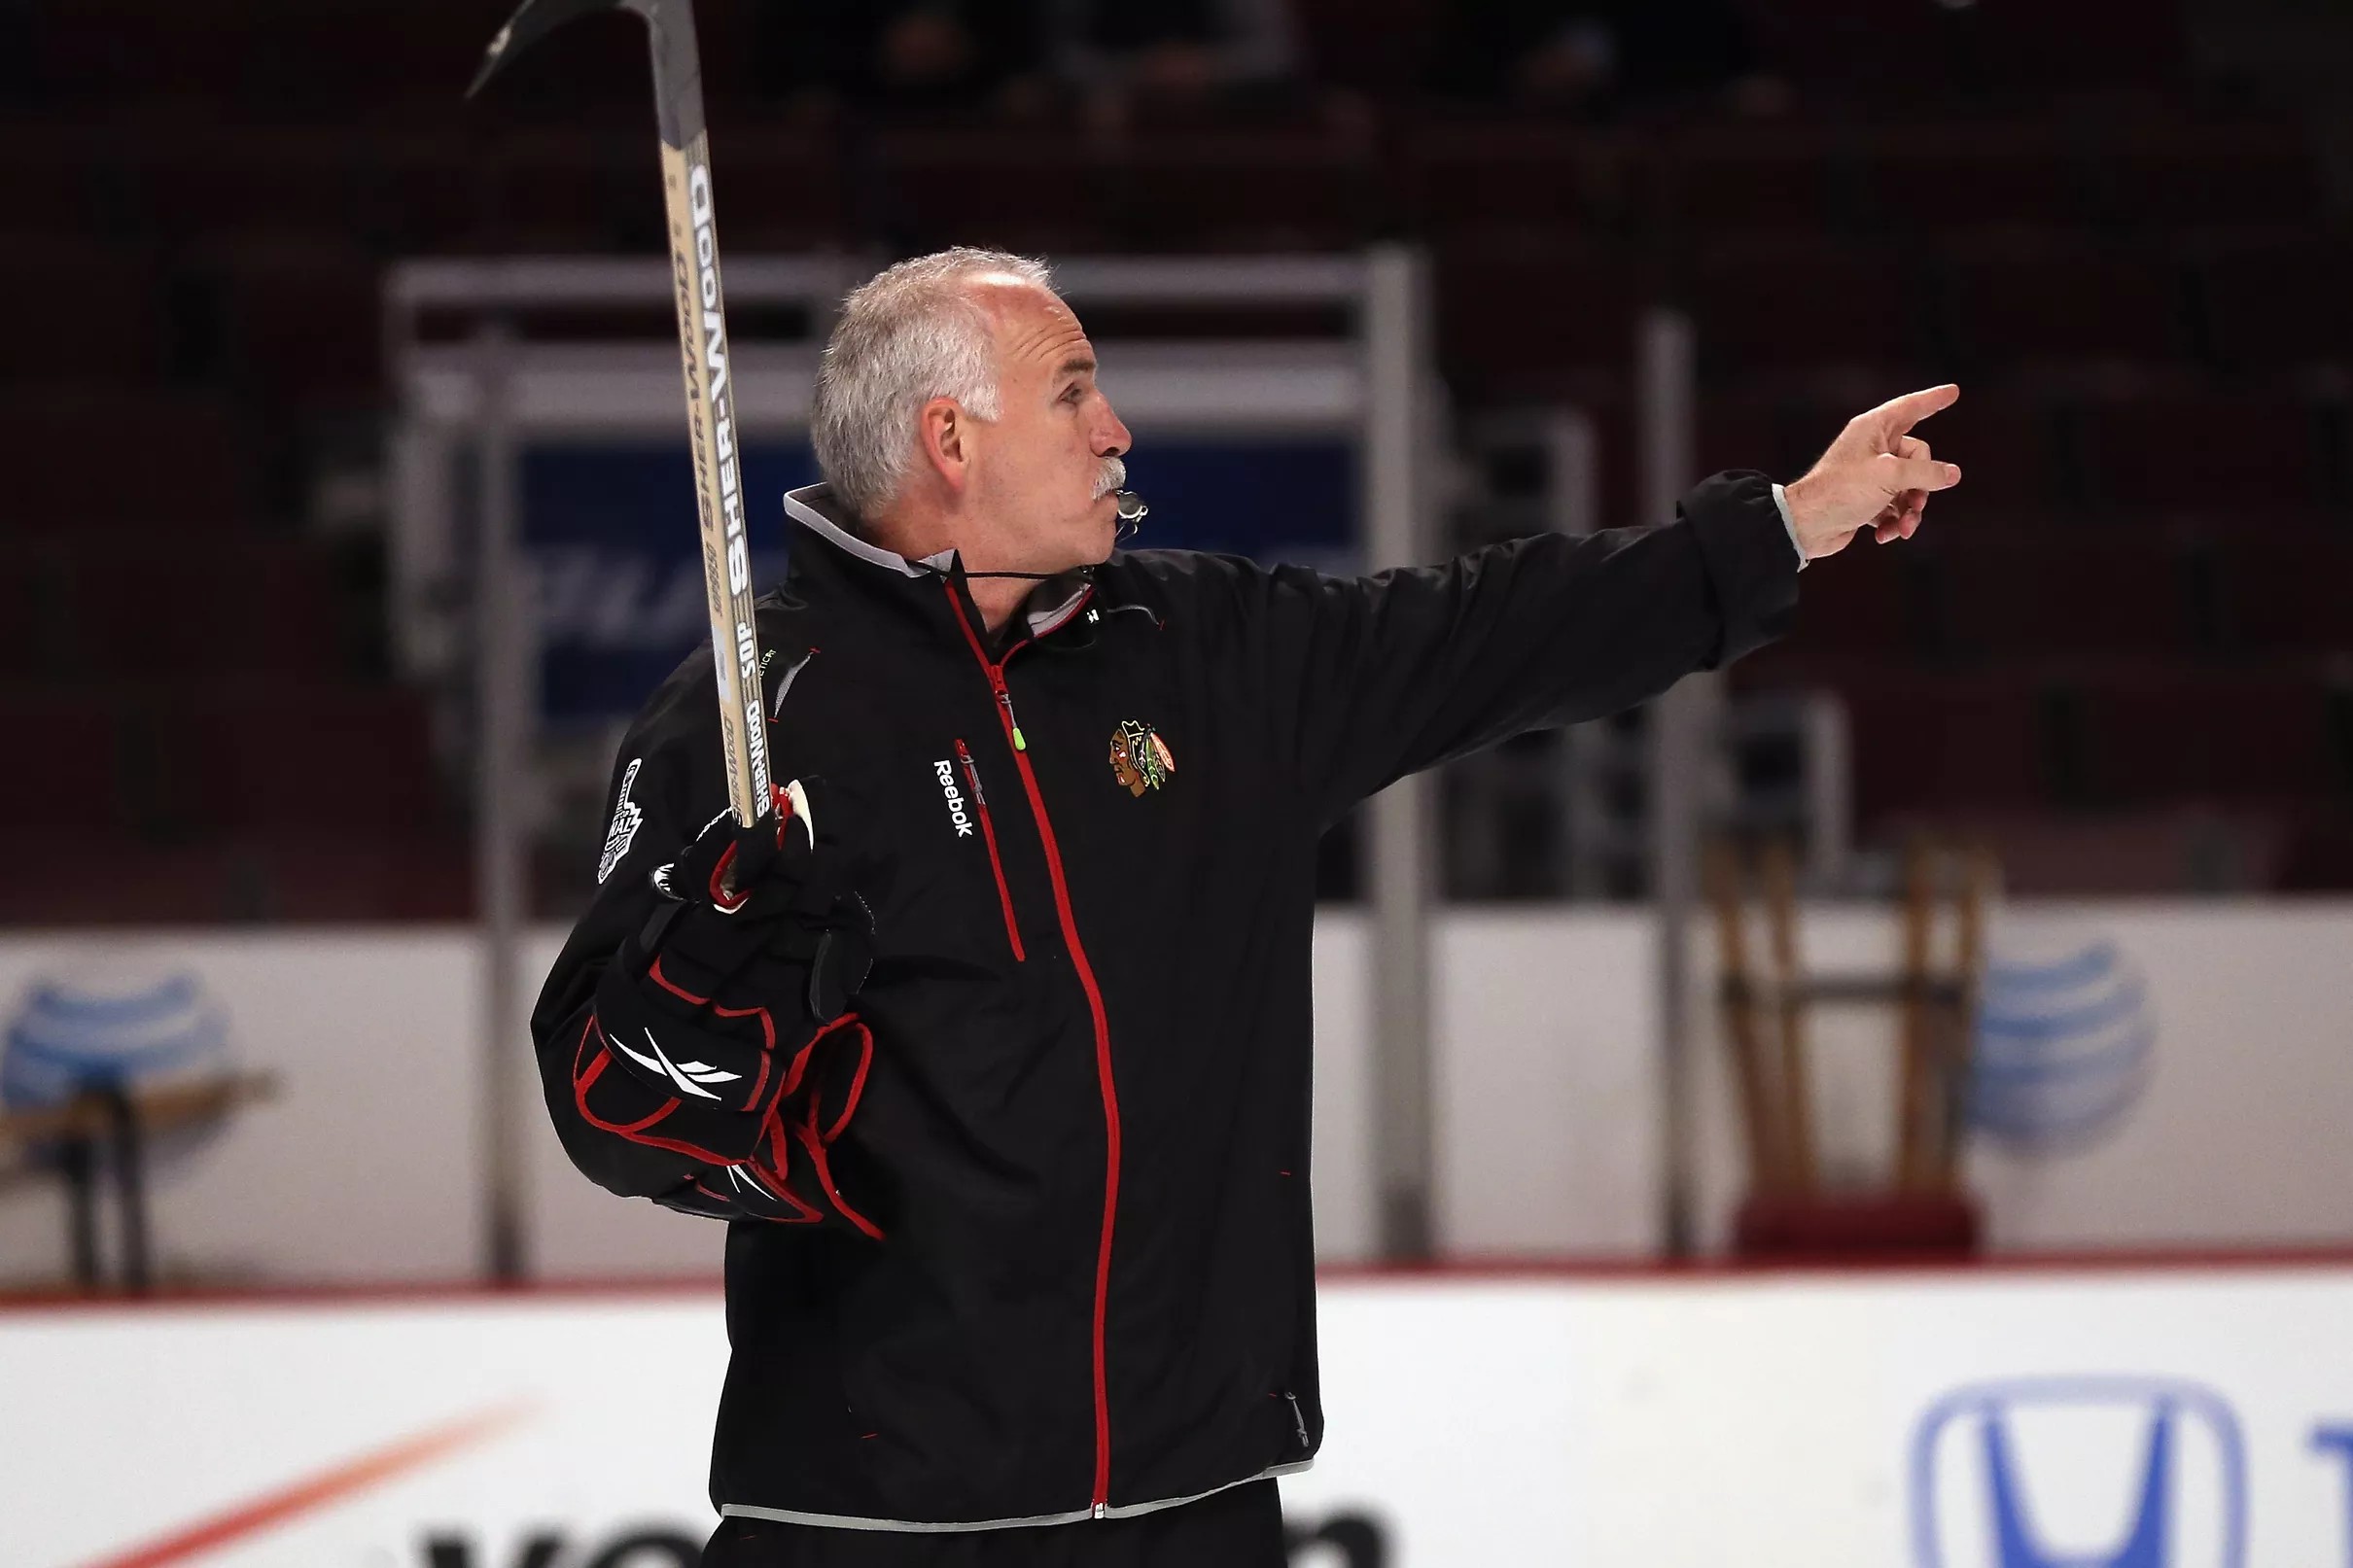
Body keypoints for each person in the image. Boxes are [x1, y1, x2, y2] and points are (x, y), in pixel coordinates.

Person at [529, 247, 1961, 1565]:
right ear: (949, 441)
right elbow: (615, 1113)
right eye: (1074, 391)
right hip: (868, 1519)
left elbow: (1494, 629)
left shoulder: (1204, 653)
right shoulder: (754, 722)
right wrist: (702, 980)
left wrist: (1775, 532)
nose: (1117, 430)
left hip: (1193, 1505)